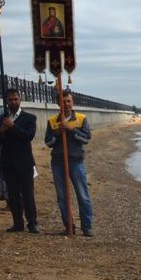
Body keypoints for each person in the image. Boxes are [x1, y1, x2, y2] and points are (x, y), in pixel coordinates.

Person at [45, 91, 93, 236]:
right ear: (58, 103)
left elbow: (86, 139)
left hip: (76, 162)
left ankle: (87, 227)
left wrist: (72, 130)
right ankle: (69, 226)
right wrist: (58, 133)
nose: (66, 104)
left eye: (68, 101)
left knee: (82, 195)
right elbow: (48, 142)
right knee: (62, 197)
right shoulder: (52, 121)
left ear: (73, 103)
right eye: (63, 101)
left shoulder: (81, 119)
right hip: (58, 163)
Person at [0, 88, 39, 233]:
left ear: (20, 100)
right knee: (12, 195)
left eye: (15, 99)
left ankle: (32, 223)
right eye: (10, 100)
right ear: (6, 101)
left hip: (24, 162)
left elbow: (28, 136)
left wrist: (12, 126)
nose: (13, 102)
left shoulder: (29, 118)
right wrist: (2, 130)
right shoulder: (1, 120)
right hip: (8, 163)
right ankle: (18, 223)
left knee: (28, 194)